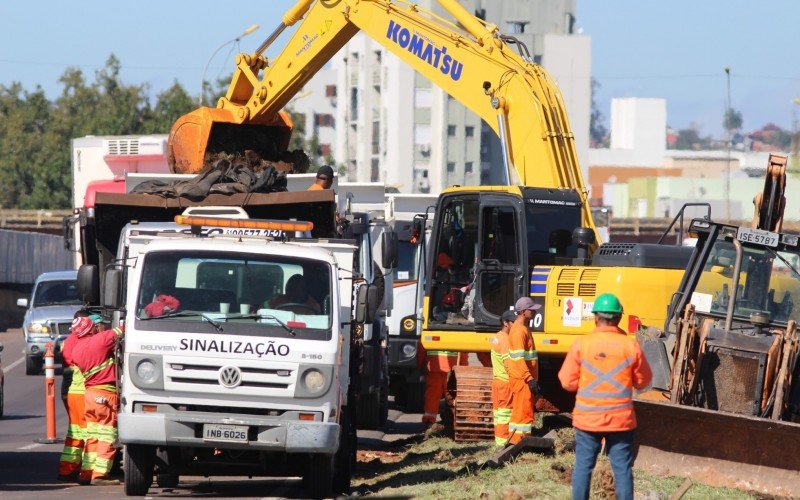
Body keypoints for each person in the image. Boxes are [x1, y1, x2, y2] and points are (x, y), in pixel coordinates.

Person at [558, 293, 653, 500]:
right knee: (622, 470)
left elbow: (567, 382)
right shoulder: (631, 346)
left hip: (587, 420)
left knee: (583, 467)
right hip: (621, 421)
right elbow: (644, 381)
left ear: (595, 317)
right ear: (619, 318)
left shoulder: (582, 344)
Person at [70, 315, 124, 486]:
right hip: (105, 395)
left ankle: (86, 472)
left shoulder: (76, 350)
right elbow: (122, 330)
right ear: (91, 329)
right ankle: (100, 474)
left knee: (92, 435)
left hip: (90, 396)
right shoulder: (100, 340)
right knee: (107, 435)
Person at [57, 310, 91, 482]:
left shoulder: (69, 340)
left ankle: (68, 468)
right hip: (81, 392)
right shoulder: (84, 342)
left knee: (74, 431)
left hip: (69, 391)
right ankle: (86, 470)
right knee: (87, 432)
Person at [507, 296, 540, 444]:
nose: (533, 312)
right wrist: (529, 378)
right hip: (522, 379)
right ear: (522, 312)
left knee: (522, 411)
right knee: (523, 412)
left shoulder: (523, 328)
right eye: (531, 310)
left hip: (524, 378)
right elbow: (519, 359)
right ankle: (520, 442)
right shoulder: (519, 331)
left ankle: (518, 440)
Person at [417, 342, 468, 427]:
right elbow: (463, 353)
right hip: (452, 369)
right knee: (452, 395)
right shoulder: (456, 334)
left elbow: (421, 350)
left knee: (432, 395)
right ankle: (453, 420)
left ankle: (429, 421)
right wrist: (464, 368)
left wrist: (420, 366)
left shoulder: (431, 331)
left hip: (434, 367)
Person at [489, 310, 517, 446]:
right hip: (506, 383)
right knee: (505, 414)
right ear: (505, 323)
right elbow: (509, 365)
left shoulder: (497, 337)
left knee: (499, 414)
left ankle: (499, 441)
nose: (516, 325)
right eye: (513, 322)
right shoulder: (505, 340)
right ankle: (503, 443)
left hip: (497, 381)